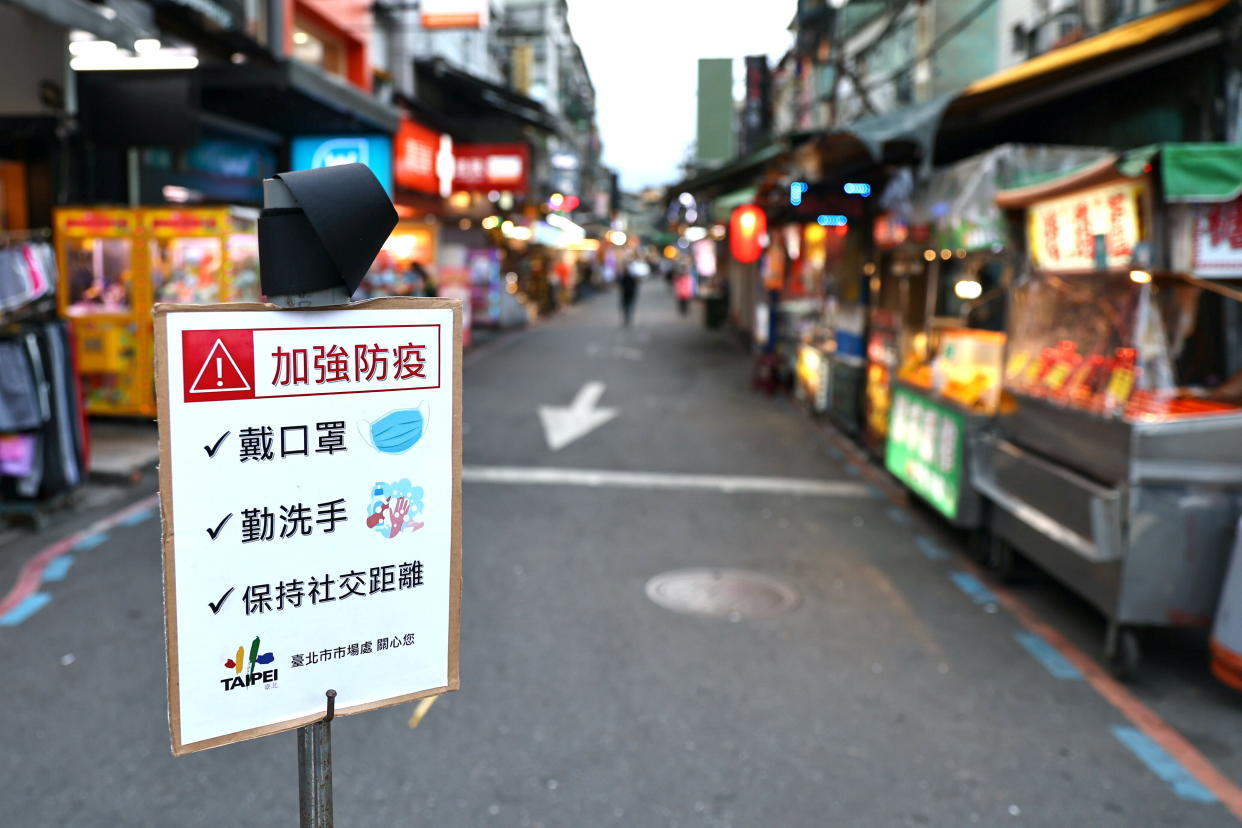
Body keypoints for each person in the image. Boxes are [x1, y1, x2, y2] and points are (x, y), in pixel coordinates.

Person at [619, 256, 646, 326]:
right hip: (629, 293)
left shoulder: (626, 274)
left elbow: (621, 283)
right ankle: (628, 319)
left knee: (627, 306)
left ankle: (628, 319)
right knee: (629, 306)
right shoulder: (631, 274)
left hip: (627, 293)